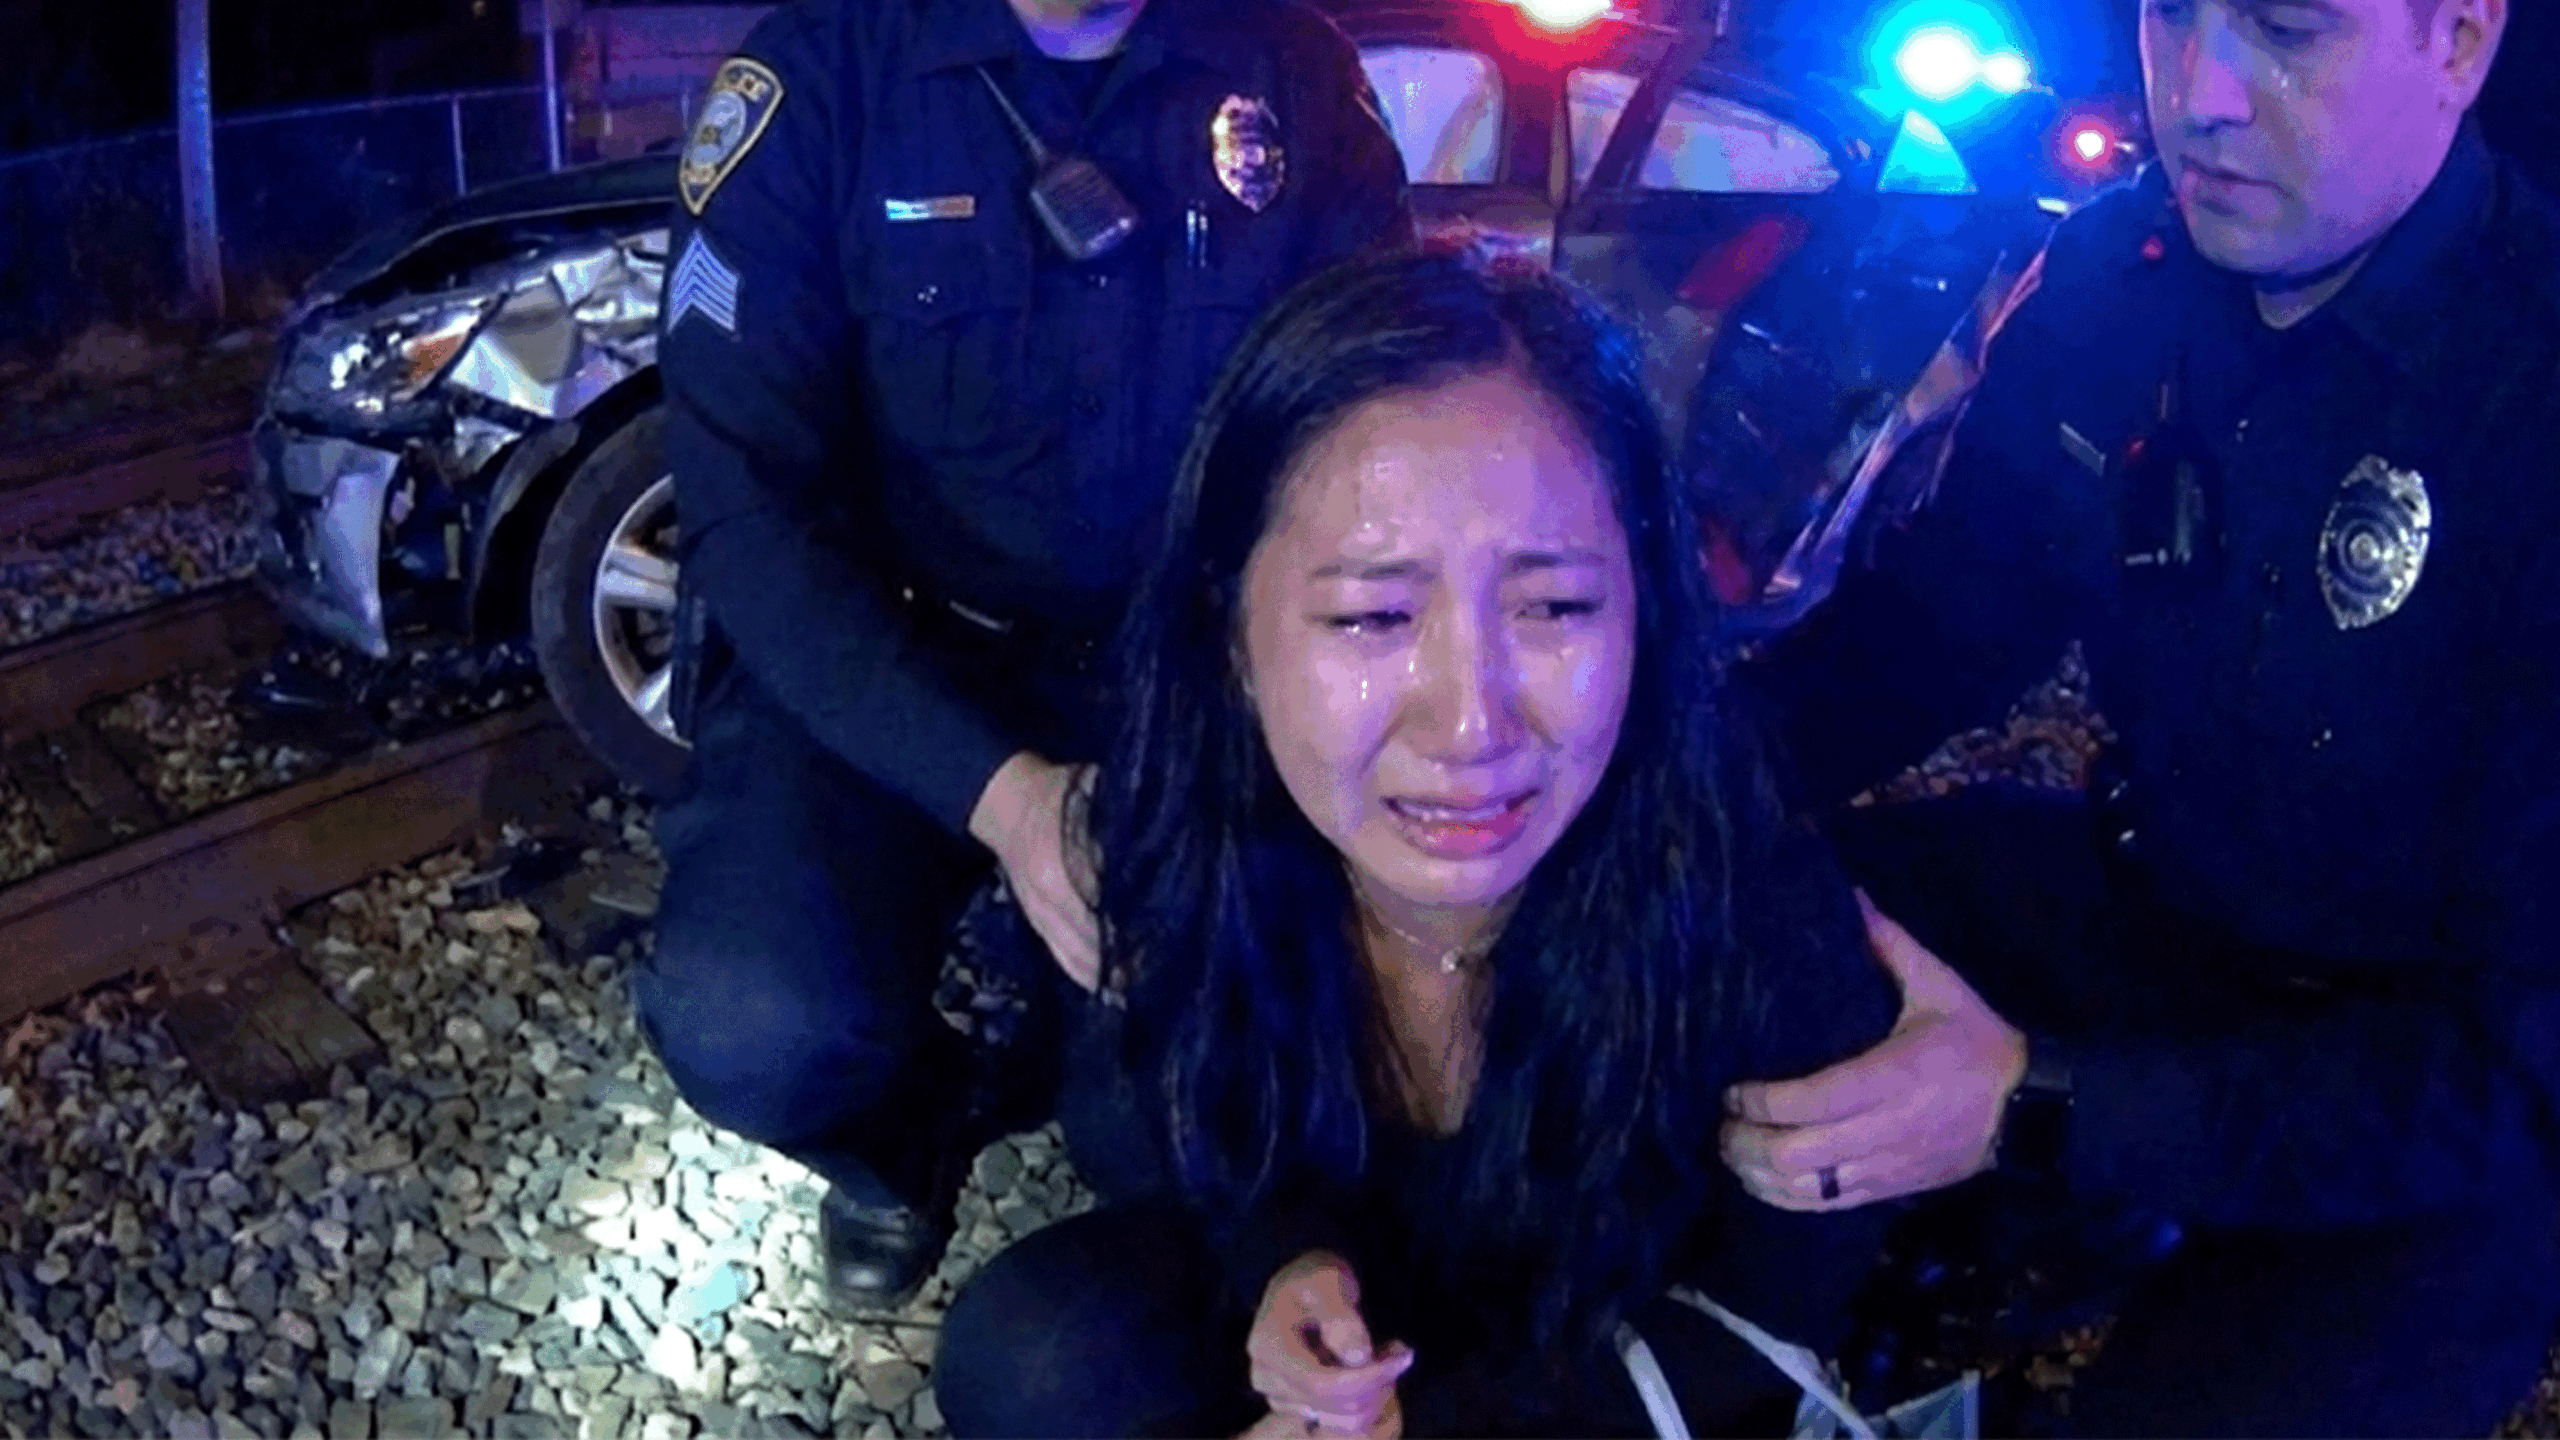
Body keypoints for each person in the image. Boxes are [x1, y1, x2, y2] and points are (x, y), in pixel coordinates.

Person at [1722, 0, 2560, 1429]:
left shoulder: (2531, 400)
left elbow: (2510, 1069)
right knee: (1719, 929)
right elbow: (1926, 635)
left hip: (2426, 1106)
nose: (2202, 97)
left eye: (2289, 31)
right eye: (2170, 14)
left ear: (2462, 39)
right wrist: (1638, 782)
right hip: (2153, 913)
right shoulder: (2119, 280)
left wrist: (2034, 1105)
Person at [930, 248, 1905, 1437]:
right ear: (1230, 631)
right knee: (1036, 1355)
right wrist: (1286, 1264)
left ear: (1645, 608)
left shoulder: (1743, 889)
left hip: (1612, 1380)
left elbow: (1772, 1318)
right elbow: (1186, 1126)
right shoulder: (1168, 842)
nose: (1471, 723)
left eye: (1554, 607)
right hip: (1352, 1342)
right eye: (1373, 616)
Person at [642, 0, 1411, 1310]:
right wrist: (1009, 800)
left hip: (1182, 677)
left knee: (1165, 1134)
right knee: (753, 1026)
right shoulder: (820, 78)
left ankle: (1076, 1062)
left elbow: (1380, 409)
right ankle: (907, 1138)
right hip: (899, 654)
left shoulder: (1292, 67)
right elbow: (745, 507)